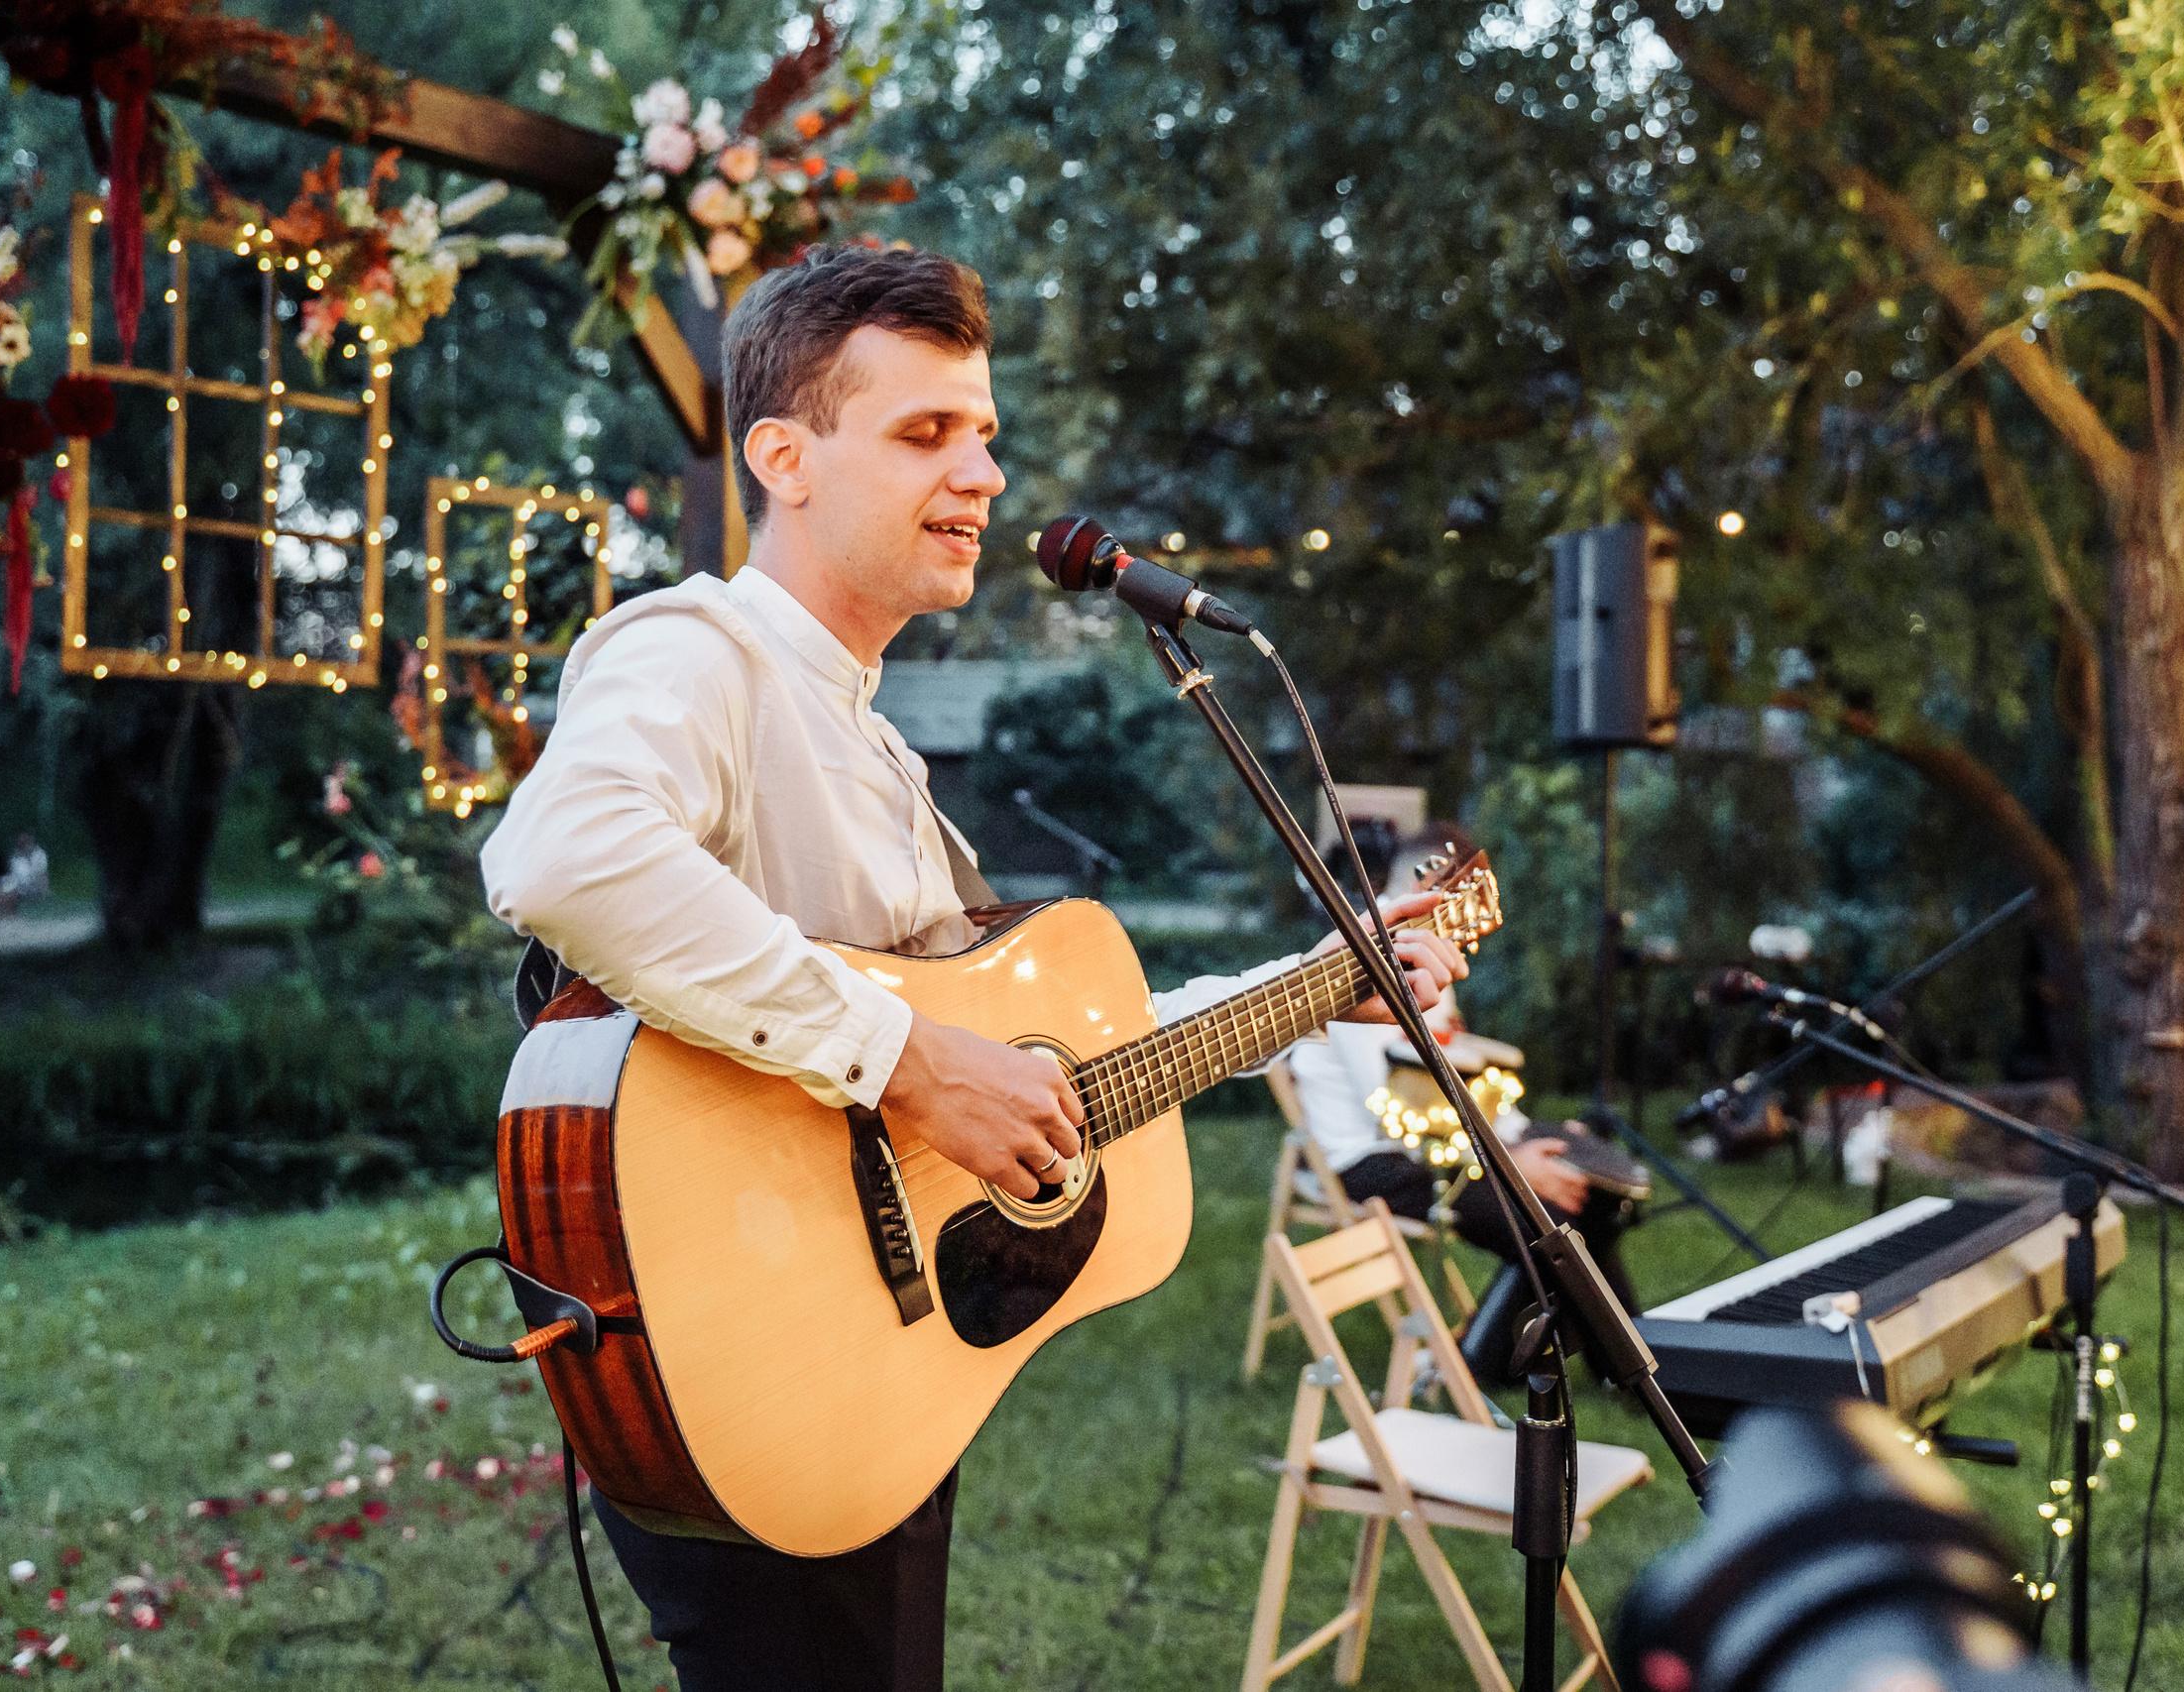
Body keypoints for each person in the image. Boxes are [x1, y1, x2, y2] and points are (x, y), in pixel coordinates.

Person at [477, 245, 1469, 1692]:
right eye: (927, 432)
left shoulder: (873, 744)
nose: (986, 472)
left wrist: (1321, 981)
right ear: (786, 458)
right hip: (752, 1357)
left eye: (987, 432)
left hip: (877, 1370)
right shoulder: (703, 650)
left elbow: (1063, 1048)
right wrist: (908, 1062)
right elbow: (566, 859)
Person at [1284, 819, 1644, 1322]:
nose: (1472, 918)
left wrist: (1520, 1131)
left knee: (1599, 1190)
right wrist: (1513, 1161)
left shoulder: (1419, 946)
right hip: (1377, 1159)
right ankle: (1609, 1366)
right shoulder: (1359, 959)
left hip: (1439, 1140)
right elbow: (1398, 1113)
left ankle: (1619, 1360)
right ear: (1424, 886)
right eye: (1462, 898)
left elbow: (1450, 1065)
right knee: (1555, 1222)